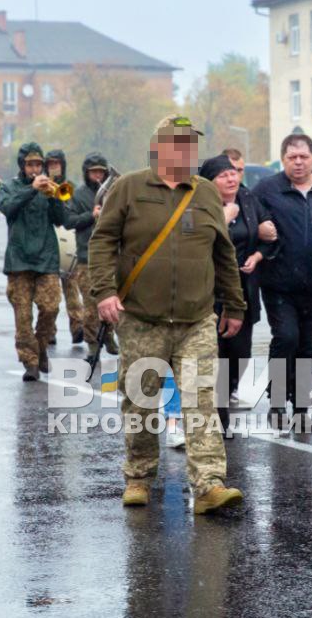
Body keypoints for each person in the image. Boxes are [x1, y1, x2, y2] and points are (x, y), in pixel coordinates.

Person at [89, 115, 246, 514]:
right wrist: (104, 292)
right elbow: (102, 241)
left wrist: (234, 304)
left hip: (196, 319)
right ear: (160, 147)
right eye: (179, 143)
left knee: (201, 399)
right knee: (140, 401)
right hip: (142, 318)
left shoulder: (207, 193)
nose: (187, 151)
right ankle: (139, 477)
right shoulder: (130, 188)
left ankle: (209, 483)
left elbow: (223, 253)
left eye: (191, 144)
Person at [252, 133, 312, 432]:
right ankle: (276, 404)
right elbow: (250, 221)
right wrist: (259, 228)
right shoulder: (266, 190)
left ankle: (301, 409)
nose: (298, 162)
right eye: (292, 157)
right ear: (283, 159)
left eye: (303, 157)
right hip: (278, 282)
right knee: (286, 337)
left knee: (308, 347)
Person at [200, 152, 273, 438]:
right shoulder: (201, 206)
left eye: (233, 173)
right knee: (214, 356)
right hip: (210, 292)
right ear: (209, 183)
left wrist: (257, 254)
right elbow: (194, 244)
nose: (231, 178)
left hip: (244, 290)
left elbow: (271, 236)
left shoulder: (248, 199)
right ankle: (217, 420)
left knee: (240, 353)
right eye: (223, 175)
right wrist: (222, 218)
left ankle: (227, 395)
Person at [0, 143, 66, 380]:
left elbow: (61, 220)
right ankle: (31, 363)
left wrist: (56, 198)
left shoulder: (49, 188)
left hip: (46, 258)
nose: (35, 169)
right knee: (23, 317)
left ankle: (41, 346)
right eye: (30, 164)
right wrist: (31, 190)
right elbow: (8, 208)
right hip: (19, 261)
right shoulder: (10, 187)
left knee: (51, 307)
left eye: (38, 164)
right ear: (22, 166)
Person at [64, 152, 116, 354]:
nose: (97, 176)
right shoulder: (78, 195)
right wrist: (90, 216)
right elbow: (69, 221)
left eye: (101, 172)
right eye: (93, 172)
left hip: (110, 257)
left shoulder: (112, 192)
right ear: (86, 173)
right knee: (91, 303)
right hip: (86, 257)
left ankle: (109, 336)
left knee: (111, 300)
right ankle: (93, 343)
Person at [45, 149, 84, 345]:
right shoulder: (42, 186)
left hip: (68, 242)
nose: (54, 167)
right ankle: (49, 330)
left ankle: (77, 326)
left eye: (57, 164)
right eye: (50, 164)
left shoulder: (69, 187)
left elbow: (70, 209)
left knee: (72, 287)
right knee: (50, 293)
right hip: (48, 245)